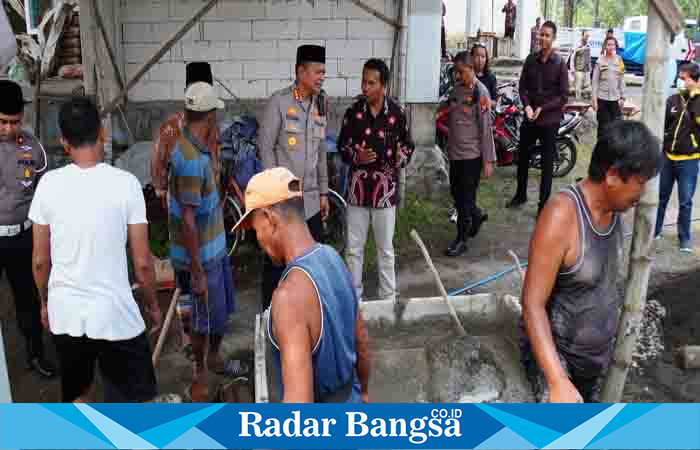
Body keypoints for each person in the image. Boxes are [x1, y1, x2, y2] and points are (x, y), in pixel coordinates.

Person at [29, 98, 163, 402]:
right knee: (136, 403)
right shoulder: (126, 184)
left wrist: (45, 302)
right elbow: (142, 263)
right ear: (103, 132)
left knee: (79, 394)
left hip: (66, 313)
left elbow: (40, 261)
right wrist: (153, 304)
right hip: (114, 314)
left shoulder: (48, 185)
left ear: (64, 142)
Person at [520, 120, 662, 403]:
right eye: (640, 182)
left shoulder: (615, 210)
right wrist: (557, 379)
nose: (642, 193)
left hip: (595, 362)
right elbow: (532, 305)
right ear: (612, 175)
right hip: (557, 362)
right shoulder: (562, 216)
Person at [231, 167, 371, 403]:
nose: (259, 240)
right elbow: (362, 343)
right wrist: (364, 392)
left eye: (256, 230)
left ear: (269, 219)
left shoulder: (287, 298)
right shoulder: (334, 258)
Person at [168, 82, 235, 402]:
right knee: (201, 317)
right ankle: (199, 375)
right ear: (208, 116)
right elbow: (188, 220)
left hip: (214, 248)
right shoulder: (190, 159)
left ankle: (212, 357)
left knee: (219, 311)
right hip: (200, 258)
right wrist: (196, 271)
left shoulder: (197, 146)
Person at [151, 61, 219, 360]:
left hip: (185, 212)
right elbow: (214, 166)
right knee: (195, 277)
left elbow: (158, 177)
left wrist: (166, 195)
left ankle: (189, 336)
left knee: (189, 281)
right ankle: (194, 340)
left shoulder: (171, 126)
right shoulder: (203, 127)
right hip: (194, 214)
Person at [258, 44, 330, 310]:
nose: (321, 77)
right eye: (317, 72)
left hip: (310, 201)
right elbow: (265, 147)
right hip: (284, 201)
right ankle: (269, 315)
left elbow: (322, 149)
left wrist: (324, 192)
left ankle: (312, 312)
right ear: (300, 71)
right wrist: (274, 195)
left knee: (314, 262)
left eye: (324, 72)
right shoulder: (280, 102)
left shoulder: (322, 102)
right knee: (277, 261)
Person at [338, 59, 414, 302]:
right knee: (353, 250)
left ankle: (388, 300)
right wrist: (355, 155)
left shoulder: (397, 114)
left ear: (383, 86)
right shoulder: (353, 113)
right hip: (357, 193)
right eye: (364, 81)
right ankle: (353, 300)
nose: (365, 87)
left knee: (386, 251)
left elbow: (408, 147)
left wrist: (398, 159)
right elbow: (341, 147)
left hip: (385, 194)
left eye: (371, 83)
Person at [0, 80, 55, 378]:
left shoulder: (33, 149)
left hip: (23, 237)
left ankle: (35, 354)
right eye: (2, 122)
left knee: (28, 300)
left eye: (15, 122)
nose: (9, 129)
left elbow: (44, 193)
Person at [508, 21, 569, 214]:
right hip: (530, 118)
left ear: (553, 38)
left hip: (549, 121)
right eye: (541, 34)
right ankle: (520, 195)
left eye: (547, 35)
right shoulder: (530, 60)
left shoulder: (560, 64)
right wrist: (526, 106)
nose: (542, 38)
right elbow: (522, 87)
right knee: (523, 157)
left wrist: (542, 108)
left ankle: (543, 205)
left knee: (547, 162)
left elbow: (563, 95)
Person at [442, 51, 497, 257]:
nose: (458, 76)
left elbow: (485, 127)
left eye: (462, 72)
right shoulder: (456, 90)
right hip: (455, 154)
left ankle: (461, 240)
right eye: (456, 72)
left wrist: (488, 160)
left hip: (471, 156)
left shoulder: (481, 93)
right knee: (457, 195)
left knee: (465, 199)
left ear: (472, 69)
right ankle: (477, 215)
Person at [151, 62, 220, 203]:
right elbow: (159, 161)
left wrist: (160, 187)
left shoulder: (173, 125)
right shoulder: (173, 126)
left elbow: (158, 160)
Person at [655, 63, 700, 253]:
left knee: (685, 201)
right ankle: (655, 231)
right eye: (680, 78)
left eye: (685, 78)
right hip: (667, 158)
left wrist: (696, 97)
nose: (681, 81)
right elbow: (662, 124)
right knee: (661, 197)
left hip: (689, 160)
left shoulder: (698, 101)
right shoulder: (672, 100)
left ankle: (684, 239)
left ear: (695, 80)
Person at [592, 36, 626, 139]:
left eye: (613, 44)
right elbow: (595, 81)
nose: (611, 47)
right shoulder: (599, 61)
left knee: (616, 127)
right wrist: (594, 99)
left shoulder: (620, 60)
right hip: (602, 99)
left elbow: (622, 79)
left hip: (615, 99)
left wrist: (622, 97)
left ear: (615, 46)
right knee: (603, 127)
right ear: (605, 46)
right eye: (608, 44)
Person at [569, 31, 591, 100]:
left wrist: (590, 68)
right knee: (578, 85)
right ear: (582, 36)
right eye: (586, 36)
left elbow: (589, 57)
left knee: (587, 85)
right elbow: (572, 57)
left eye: (588, 36)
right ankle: (578, 99)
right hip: (578, 69)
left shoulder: (588, 46)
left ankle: (585, 98)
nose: (587, 37)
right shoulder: (577, 45)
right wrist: (572, 69)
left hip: (586, 69)